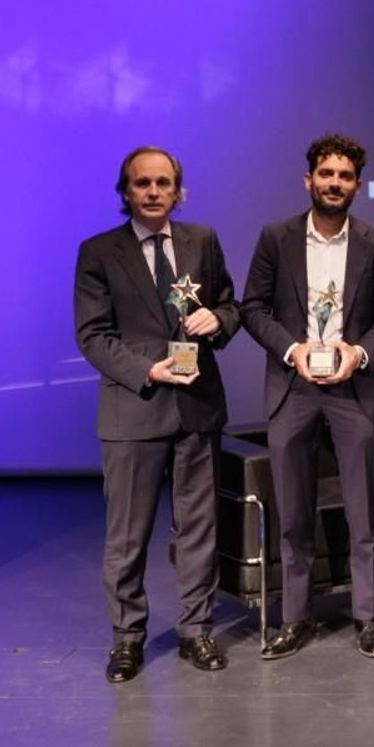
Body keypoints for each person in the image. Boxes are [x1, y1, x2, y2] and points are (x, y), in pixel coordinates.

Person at [74, 146, 240, 682]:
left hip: (197, 409)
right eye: (142, 183)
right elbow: (93, 336)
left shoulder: (203, 241)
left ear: (178, 191)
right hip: (134, 410)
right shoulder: (99, 252)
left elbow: (230, 306)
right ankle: (128, 639)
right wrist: (149, 370)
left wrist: (217, 320)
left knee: (199, 530)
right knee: (127, 537)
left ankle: (196, 630)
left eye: (163, 183)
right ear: (126, 192)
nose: (152, 191)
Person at [241, 133, 374, 660]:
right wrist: (293, 350)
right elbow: (253, 308)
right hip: (294, 386)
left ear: (358, 184)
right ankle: (295, 618)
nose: (335, 184)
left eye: (345, 176)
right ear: (308, 179)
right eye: (326, 175)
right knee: (292, 513)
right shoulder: (276, 237)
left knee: (363, 512)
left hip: (353, 387)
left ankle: (367, 615)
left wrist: (360, 352)